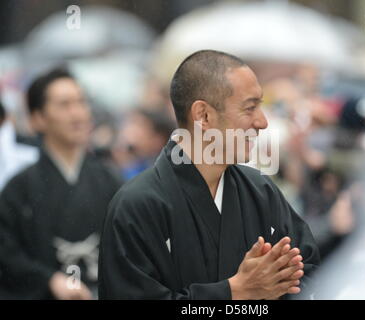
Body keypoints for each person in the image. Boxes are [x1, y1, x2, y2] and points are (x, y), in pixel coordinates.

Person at [99, 50, 320, 300]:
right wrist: (233, 292)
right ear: (203, 115)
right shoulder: (137, 205)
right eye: (250, 108)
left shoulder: (260, 191)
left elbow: (311, 275)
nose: (262, 122)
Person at [0, 68, 122, 299]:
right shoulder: (18, 189)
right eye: (64, 105)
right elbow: (7, 254)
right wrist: (49, 279)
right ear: (37, 118)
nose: (77, 114)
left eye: (81, 102)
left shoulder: (110, 179)